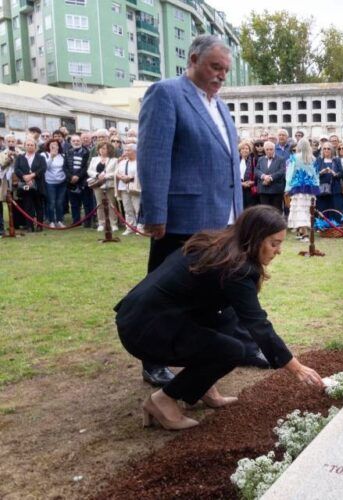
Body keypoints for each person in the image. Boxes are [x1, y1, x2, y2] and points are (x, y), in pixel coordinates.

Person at [115, 206, 324, 430]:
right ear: (254, 239)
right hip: (145, 330)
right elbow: (257, 323)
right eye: (274, 243)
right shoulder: (238, 268)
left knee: (227, 320)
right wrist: (296, 367)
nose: (278, 250)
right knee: (231, 351)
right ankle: (162, 400)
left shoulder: (220, 245)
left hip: (141, 317)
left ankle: (202, 385)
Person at [137, 35, 255, 388]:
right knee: (164, 292)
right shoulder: (166, 93)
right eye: (214, 67)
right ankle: (153, 358)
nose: (221, 76)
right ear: (192, 59)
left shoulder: (219, 105)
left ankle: (229, 347)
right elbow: (153, 156)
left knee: (218, 290)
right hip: (180, 219)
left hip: (222, 218)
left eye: (225, 70)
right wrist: (155, 213)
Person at [286, 138, 319, 242]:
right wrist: (316, 186)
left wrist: (287, 187)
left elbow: (289, 174)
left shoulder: (294, 158)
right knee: (306, 210)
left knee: (299, 210)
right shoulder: (313, 158)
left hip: (297, 187)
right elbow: (316, 175)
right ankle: (301, 232)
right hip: (310, 189)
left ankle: (304, 235)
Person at [13, 138, 47, 232]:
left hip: (38, 185)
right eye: (28, 145)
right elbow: (17, 169)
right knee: (28, 206)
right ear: (24, 146)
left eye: (32, 145)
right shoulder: (20, 157)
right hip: (25, 186)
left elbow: (43, 168)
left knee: (39, 206)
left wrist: (32, 175)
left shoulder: (40, 157)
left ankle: (40, 226)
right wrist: (25, 177)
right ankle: (29, 226)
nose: (29, 146)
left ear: (35, 147)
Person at [87, 141, 119, 232]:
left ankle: (113, 224)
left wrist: (105, 176)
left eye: (104, 148)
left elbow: (116, 172)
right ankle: (101, 223)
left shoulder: (114, 160)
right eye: (100, 148)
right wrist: (97, 175)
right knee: (99, 204)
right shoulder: (94, 159)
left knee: (111, 204)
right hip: (97, 184)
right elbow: (89, 171)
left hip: (109, 185)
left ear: (109, 149)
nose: (102, 150)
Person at [64, 134, 93, 228]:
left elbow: (86, 167)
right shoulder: (67, 152)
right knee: (74, 204)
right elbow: (65, 167)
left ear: (81, 141)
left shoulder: (87, 152)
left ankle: (87, 222)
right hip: (70, 182)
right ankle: (76, 221)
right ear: (70, 142)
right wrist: (71, 177)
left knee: (86, 203)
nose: (76, 142)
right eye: (74, 141)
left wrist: (78, 176)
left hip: (83, 181)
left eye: (78, 141)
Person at [115, 143, 142, 235]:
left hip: (135, 188)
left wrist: (130, 178)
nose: (126, 152)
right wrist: (122, 177)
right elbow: (117, 173)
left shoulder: (140, 162)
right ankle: (130, 227)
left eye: (128, 150)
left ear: (135, 151)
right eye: (125, 150)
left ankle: (140, 227)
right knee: (127, 208)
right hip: (123, 187)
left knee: (138, 208)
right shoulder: (122, 162)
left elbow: (140, 175)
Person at [41, 138, 67, 228]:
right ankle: (51, 220)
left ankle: (59, 220)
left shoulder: (62, 155)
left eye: (56, 144)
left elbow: (65, 168)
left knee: (59, 202)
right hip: (50, 182)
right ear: (48, 146)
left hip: (62, 182)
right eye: (52, 144)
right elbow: (45, 168)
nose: (54, 146)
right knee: (51, 202)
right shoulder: (44, 155)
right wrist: (51, 157)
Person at [314, 142, 343, 220]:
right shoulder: (319, 160)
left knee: (335, 208)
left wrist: (334, 174)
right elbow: (314, 174)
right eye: (324, 148)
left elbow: (342, 174)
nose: (326, 150)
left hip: (335, 189)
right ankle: (322, 226)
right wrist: (321, 172)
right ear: (322, 150)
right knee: (322, 208)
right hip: (322, 190)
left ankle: (336, 226)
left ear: (332, 150)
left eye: (328, 148)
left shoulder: (336, 160)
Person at [256, 141, 287, 212]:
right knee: (264, 212)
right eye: (267, 149)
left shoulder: (281, 159)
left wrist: (270, 178)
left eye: (271, 149)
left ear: (274, 149)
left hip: (276, 190)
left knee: (276, 211)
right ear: (264, 150)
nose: (269, 151)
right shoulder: (261, 159)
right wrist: (263, 176)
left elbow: (282, 171)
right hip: (263, 190)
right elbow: (256, 170)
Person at [238, 141, 259, 208]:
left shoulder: (254, 160)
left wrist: (252, 182)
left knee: (249, 208)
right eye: (243, 148)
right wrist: (241, 183)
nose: (245, 150)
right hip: (239, 187)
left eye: (247, 148)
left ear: (249, 150)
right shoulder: (236, 160)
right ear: (240, 150)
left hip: (250, 188)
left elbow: (257, 173)